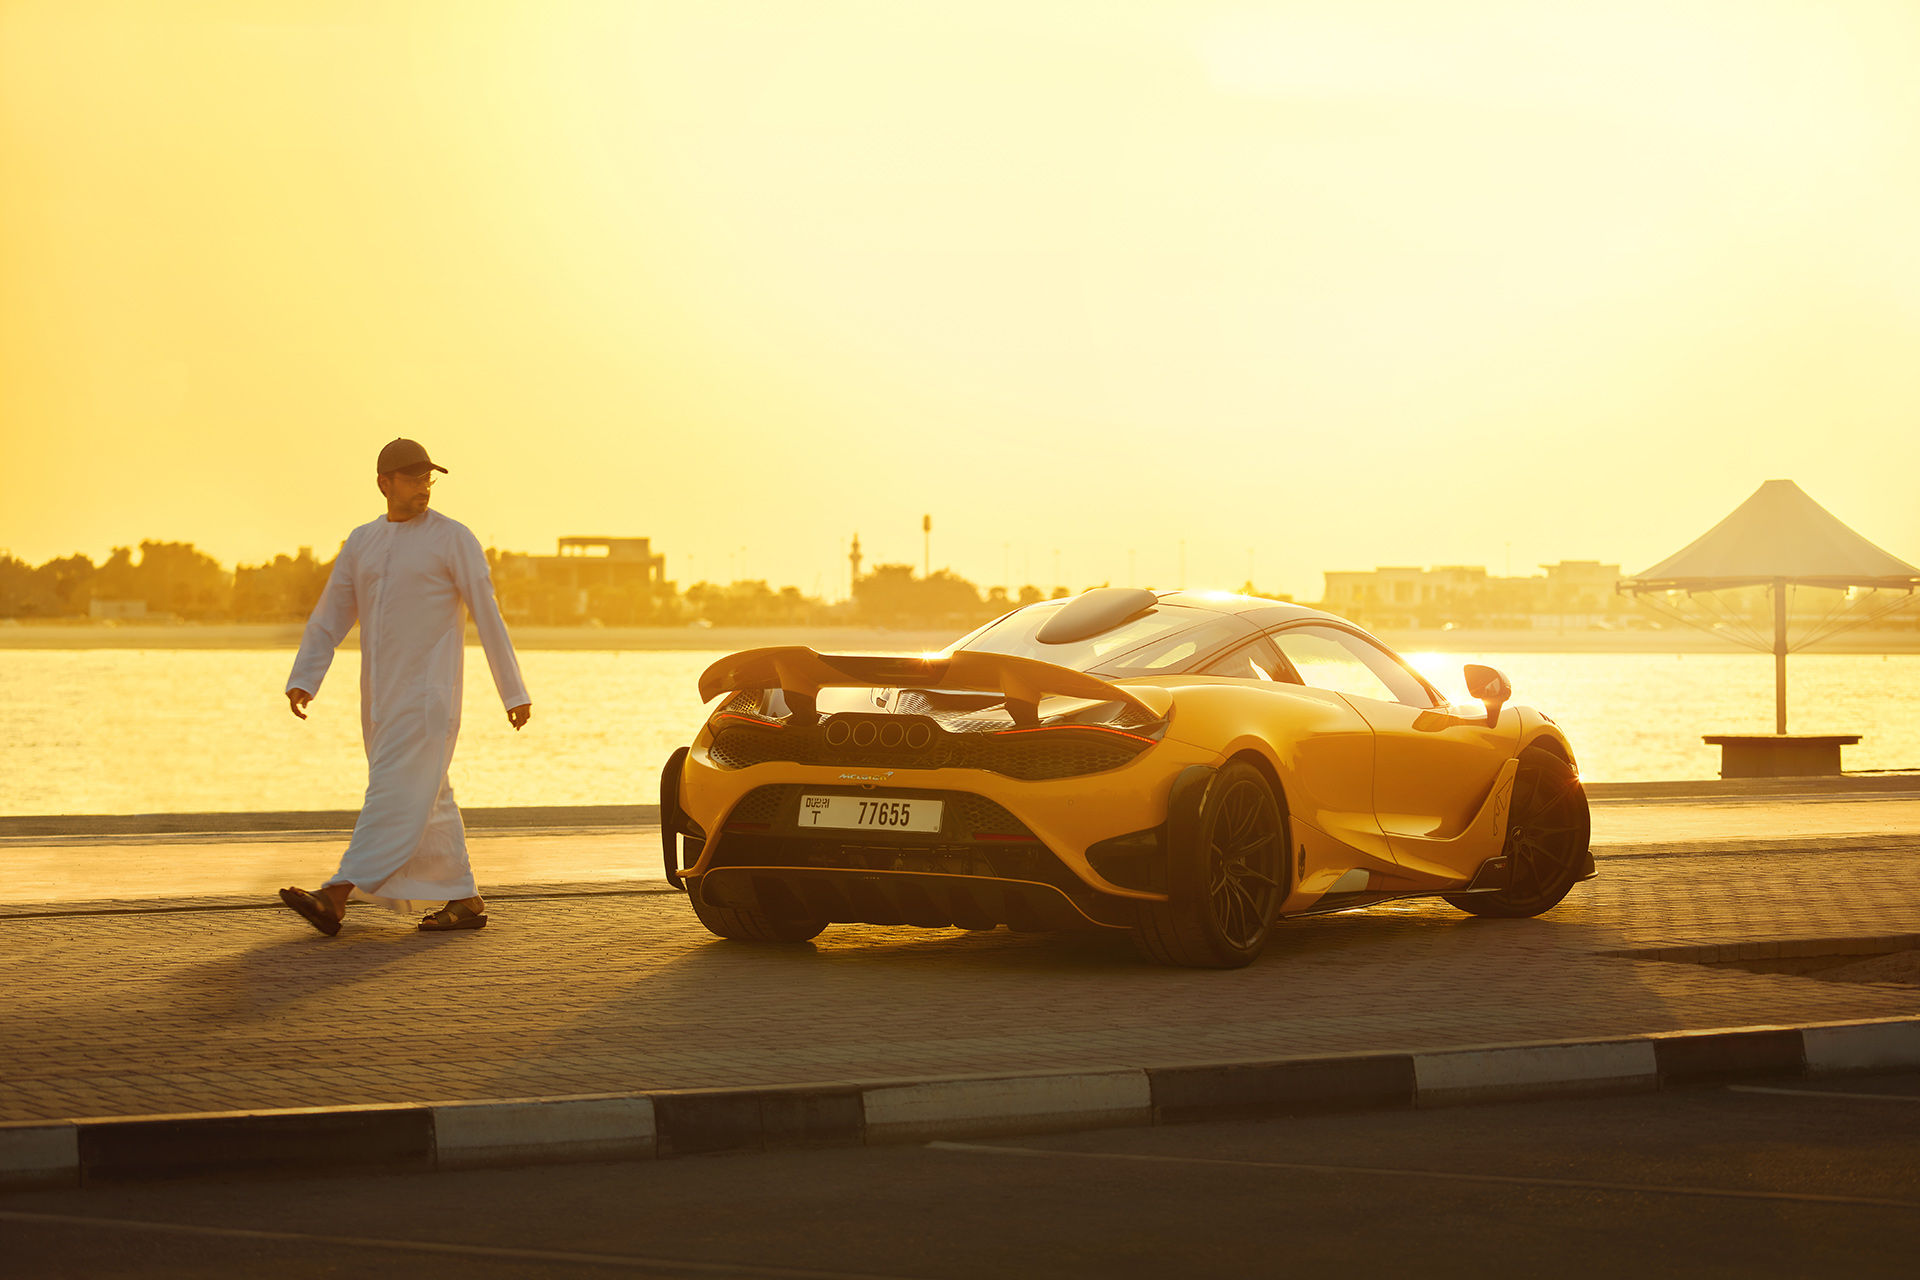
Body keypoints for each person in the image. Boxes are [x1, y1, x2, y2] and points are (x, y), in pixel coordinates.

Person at [278, 438, 531, 936]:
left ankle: (337, 894)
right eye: (413, 479)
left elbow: (487, 613)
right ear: (384, 484)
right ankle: (465, 899)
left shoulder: (453, 538)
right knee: (426, 797)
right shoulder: (362, 541)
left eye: (428, 479)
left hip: (428, 697)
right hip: (379, 700)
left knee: (392, 793)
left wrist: (513, 692)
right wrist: (305, 677)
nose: (424, 488)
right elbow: (330, 616)